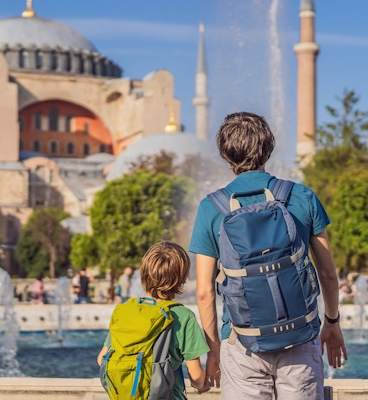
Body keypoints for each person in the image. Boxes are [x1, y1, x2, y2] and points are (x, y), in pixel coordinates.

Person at [190, 112, 347, 399]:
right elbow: (327, 273)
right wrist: (332, 323)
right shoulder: (301, 195)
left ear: (225, 154)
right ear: (268, 148)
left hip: (241, 342)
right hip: (300, 336)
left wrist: (214, 352)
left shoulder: (211, 208)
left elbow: (203, 292)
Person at [97, 241, 210, 398]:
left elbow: (101, 358)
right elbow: (196, 375)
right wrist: (202, 385)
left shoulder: (125, 311)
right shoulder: (182, 316)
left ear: (144, 272)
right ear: (181, 277)